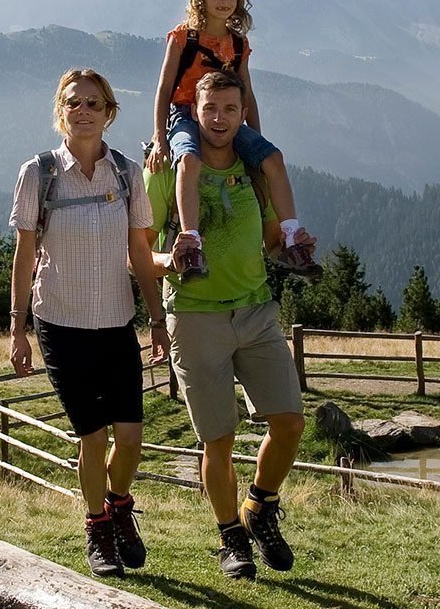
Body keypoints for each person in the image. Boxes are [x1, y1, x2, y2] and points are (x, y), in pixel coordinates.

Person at [145, 69, 315, 579]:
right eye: (210, 109)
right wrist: (168, 261)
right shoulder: (167, 170)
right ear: (193, 112)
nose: (219, 119)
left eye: (230, 110)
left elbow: (267, 239)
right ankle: (230, 538)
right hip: (196, 317)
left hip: (257, 309)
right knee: (217, 437)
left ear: (244, 115)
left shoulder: (255, 169)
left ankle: (259, 507)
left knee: (289, 422)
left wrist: (291, 244)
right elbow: (139, 251)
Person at [7, 68, 169, 578]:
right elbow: (23, 254)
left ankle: (120, 504)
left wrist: (157, 318)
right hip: (62, 324)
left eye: (93, 103)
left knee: (132, 436)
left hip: (117, 323)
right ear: (61, 109)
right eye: (74, 103)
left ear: (109, 112)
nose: (83, 111)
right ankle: (98, 527)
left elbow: (140, 251)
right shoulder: (39, 173)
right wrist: (18, 329)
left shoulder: (125, 173)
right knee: (93, 438)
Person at [144, 0, 318, 282]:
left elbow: (246, 93)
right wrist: (160, 137)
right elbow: (164, 89)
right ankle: (192, 240)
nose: (223, 1)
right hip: (185, 113)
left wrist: (256, 142)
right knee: (189, 161)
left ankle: (292, 237)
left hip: (230, 115)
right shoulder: (183, 38)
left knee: (274, 158)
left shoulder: (238, 44)